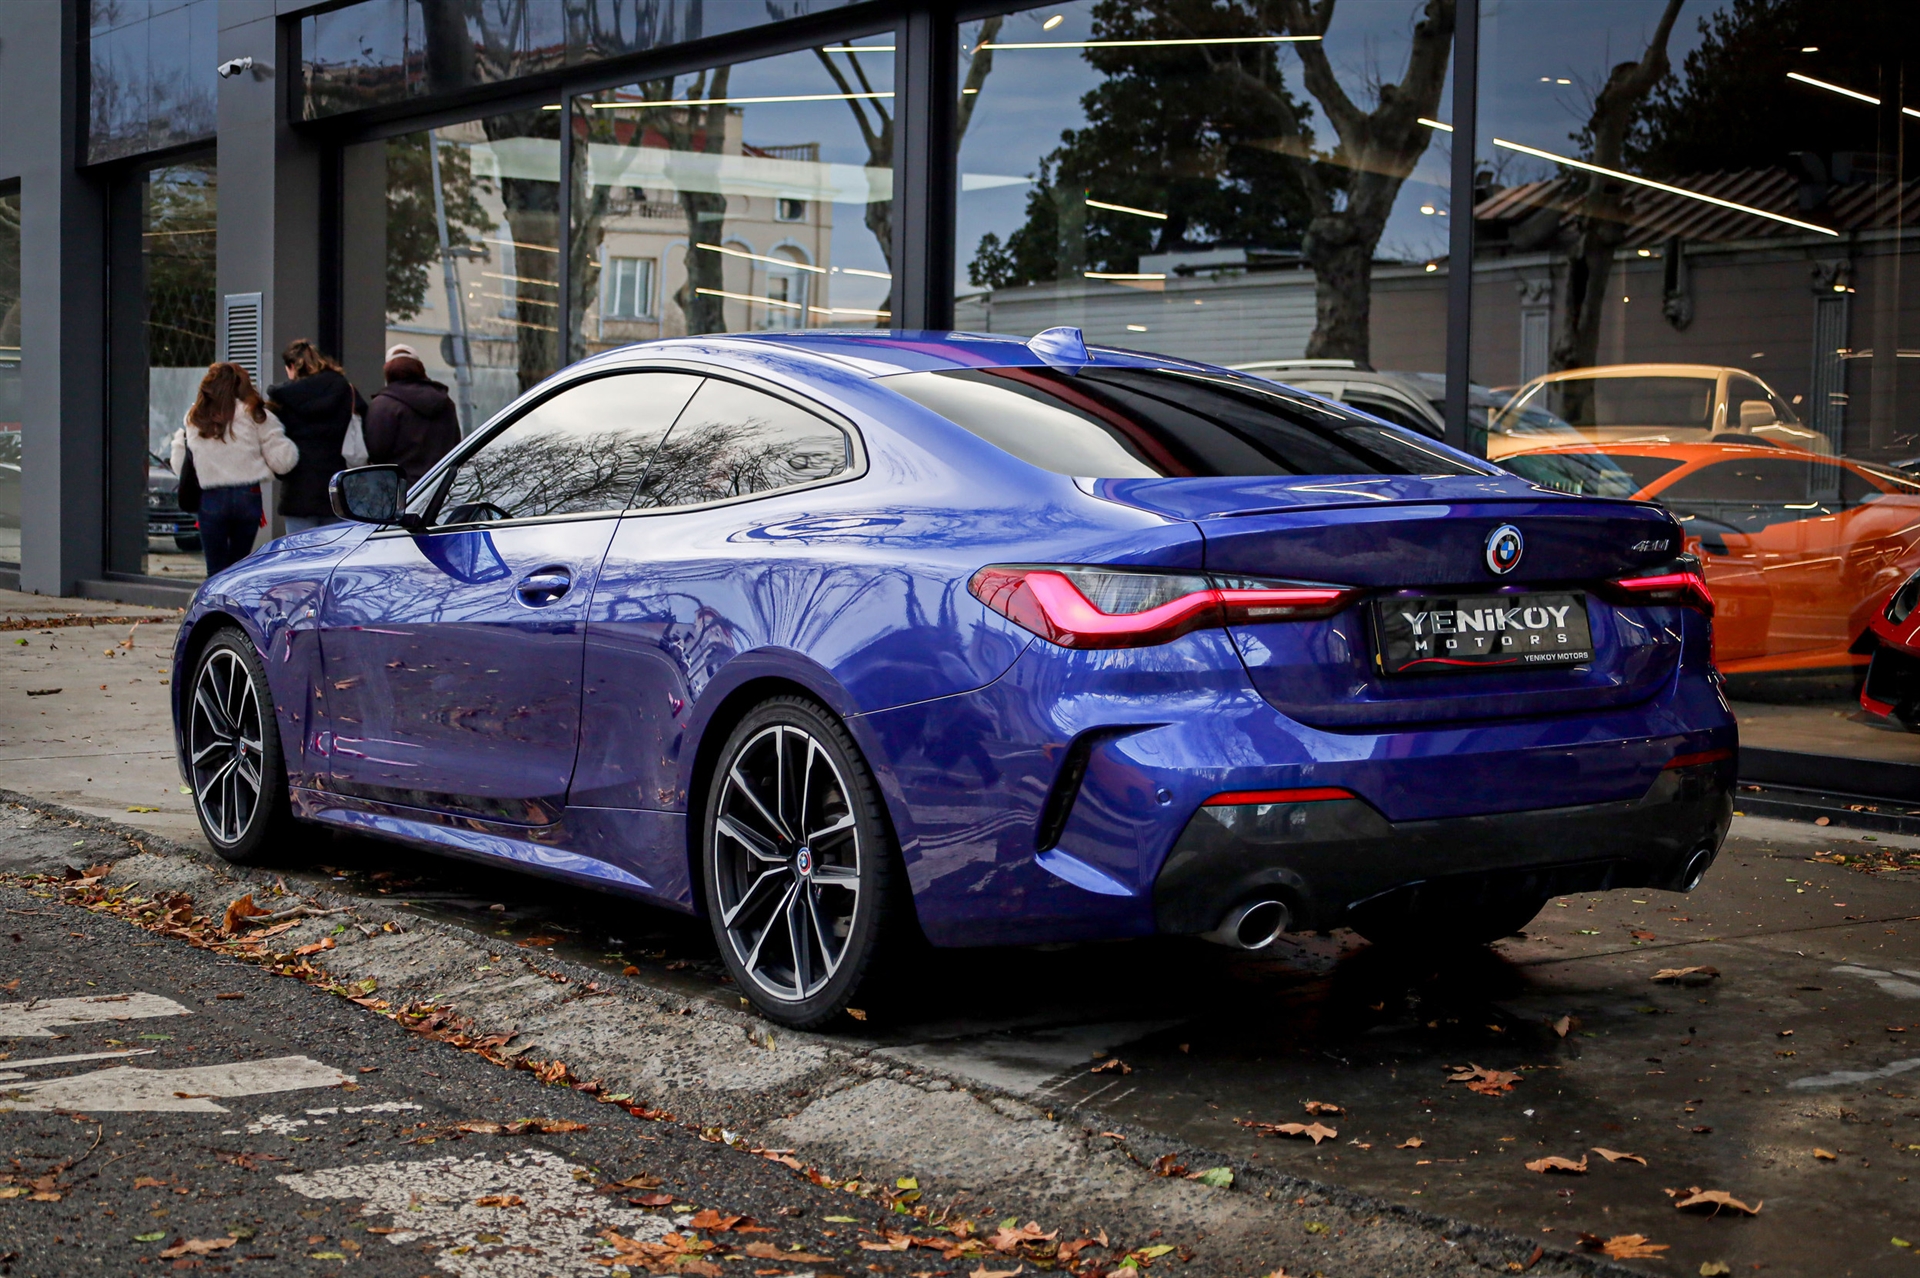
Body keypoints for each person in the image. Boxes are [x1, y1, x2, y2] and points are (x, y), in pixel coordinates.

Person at [171, 363, 298, 577]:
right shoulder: (256, 415)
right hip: (248, 496)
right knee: (238, 569)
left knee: (215, 571)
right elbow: (283, 461)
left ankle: (215, 599)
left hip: (210, 497)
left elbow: (180, 465)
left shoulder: (195, 418)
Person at [267, 338, 367, 534]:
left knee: (299, 550)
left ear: (291, 366)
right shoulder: (345, 390)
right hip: (337, 487)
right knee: (334, 549)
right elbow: (365, 425)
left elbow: (274, 440)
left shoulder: (282, 399)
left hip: (298, 490)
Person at [364, 353, 461, 486]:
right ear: (421, 371)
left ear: (388, 375)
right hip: (443, 484)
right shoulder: (445, 402)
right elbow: (455, 442)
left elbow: (376, 451)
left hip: (401, 487)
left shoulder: (383, 405)